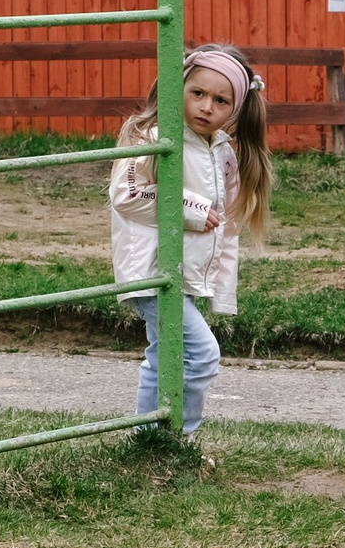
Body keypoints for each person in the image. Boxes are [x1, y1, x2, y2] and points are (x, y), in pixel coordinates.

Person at [109, 42, 272, 438]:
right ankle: (181, 438)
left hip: (183, 271)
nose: (206, 107)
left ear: (235, 109)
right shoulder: (152, 136)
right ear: (180, 87)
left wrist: (222, 290)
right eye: (197, 93)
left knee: (164, 355)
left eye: (220, 100)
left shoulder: (223, 153)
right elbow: (127, 196)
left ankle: (150, 440)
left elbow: (226, 228)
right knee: (200, 355)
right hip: (151, 270)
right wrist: (192, 210)